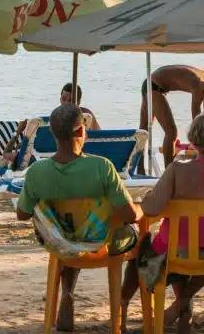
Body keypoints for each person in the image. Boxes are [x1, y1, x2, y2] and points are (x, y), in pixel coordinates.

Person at [16, 104, 141, 332]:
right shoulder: (101, 167)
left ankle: (67, 293)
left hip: (60, 243)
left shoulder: (36, 172)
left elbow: (22, 214)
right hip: (101, 245)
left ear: (53, 133)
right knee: (142, 240)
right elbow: (129, 214)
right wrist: (141, 211)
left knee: (70, 228)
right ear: (81, 132)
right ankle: (122, 303)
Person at [121, 113, 204, 334]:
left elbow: (150, 208)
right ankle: (183, 304)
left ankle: (178, 304)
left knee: (144, 249)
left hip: (173, 255)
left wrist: (150, 195)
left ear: (193, 140)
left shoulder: (178, 169)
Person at [1, 82, 100, 166]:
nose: (65, 103)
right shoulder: (88, 116)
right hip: (82, 159)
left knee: (10, 155)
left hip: (51, 160)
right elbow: (99, 138)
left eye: (70, 100)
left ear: (78, 102)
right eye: (64, 99)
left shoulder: (51, 121)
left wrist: (18, 131)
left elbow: (6, 154)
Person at [140, 65, 204, 171]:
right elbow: (196, 116)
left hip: (152, 83)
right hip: (154, 86)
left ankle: (139, 168)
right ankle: (169, 171)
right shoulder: (199, 86)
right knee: (171, 132)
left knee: (143, 131)